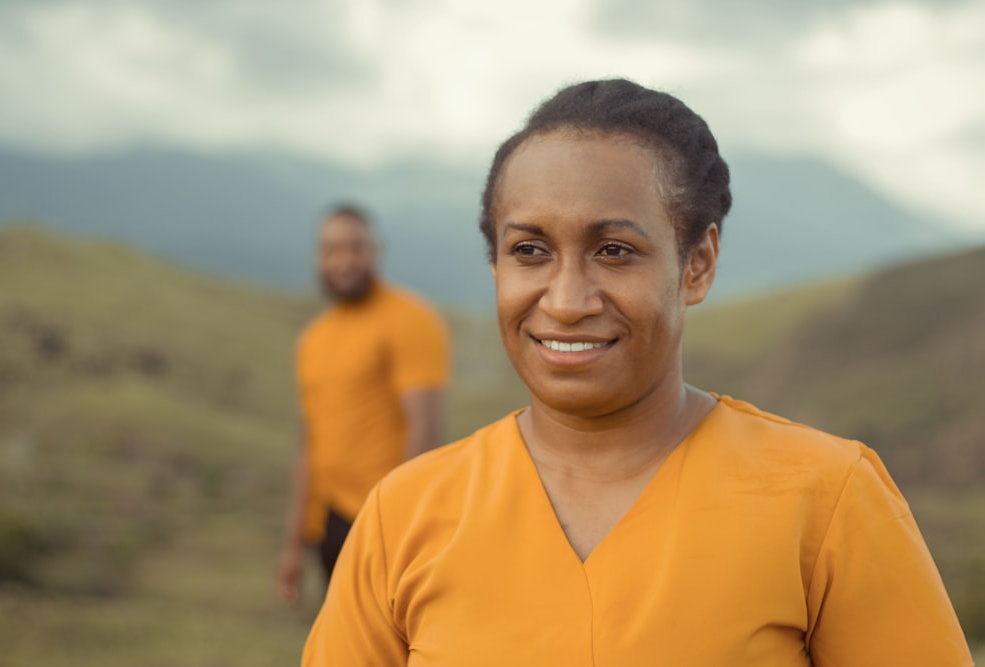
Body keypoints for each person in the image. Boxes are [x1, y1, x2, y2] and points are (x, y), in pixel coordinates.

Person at [301, 81, 974, 665]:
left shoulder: (827, 502)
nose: (565, 300)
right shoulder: (402, 516)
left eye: (615, 250)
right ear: (496, 267)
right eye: (529, 249)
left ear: (697, 264)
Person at [276, 204, 450, 605]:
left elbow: (425, 429)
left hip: (384, 523)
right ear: (319, 257)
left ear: (374, 251)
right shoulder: (314, 340)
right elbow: (309, 446)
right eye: (332, 250)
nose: (344, 261)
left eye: (355, 248)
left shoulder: (410, 320)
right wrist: (293, 545)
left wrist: (401, 528)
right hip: (329, 525)